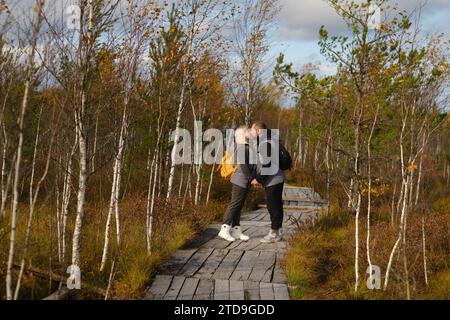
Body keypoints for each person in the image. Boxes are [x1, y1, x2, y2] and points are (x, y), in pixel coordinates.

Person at [250, 121, 285, 243]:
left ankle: (274, 233)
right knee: (277, 205)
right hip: (276, 178)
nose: (251, 132)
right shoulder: (268, 140)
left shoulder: (266, 142)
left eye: (252, 130)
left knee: (273, 206)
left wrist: (258, 179)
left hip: (273, 179)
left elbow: (267, 164)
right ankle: (278, 231)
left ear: (258, 131)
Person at [218, 126, 255, 242]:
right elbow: (243, 165)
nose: (249, 132)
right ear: (243, 134)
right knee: (235, 204)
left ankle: (236, 230)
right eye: (247, 131)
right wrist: (251, 179)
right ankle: (224, 229)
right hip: (240, 180)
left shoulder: (242, 146)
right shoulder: (242, 147)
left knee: (239, 205)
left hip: (241, 180)